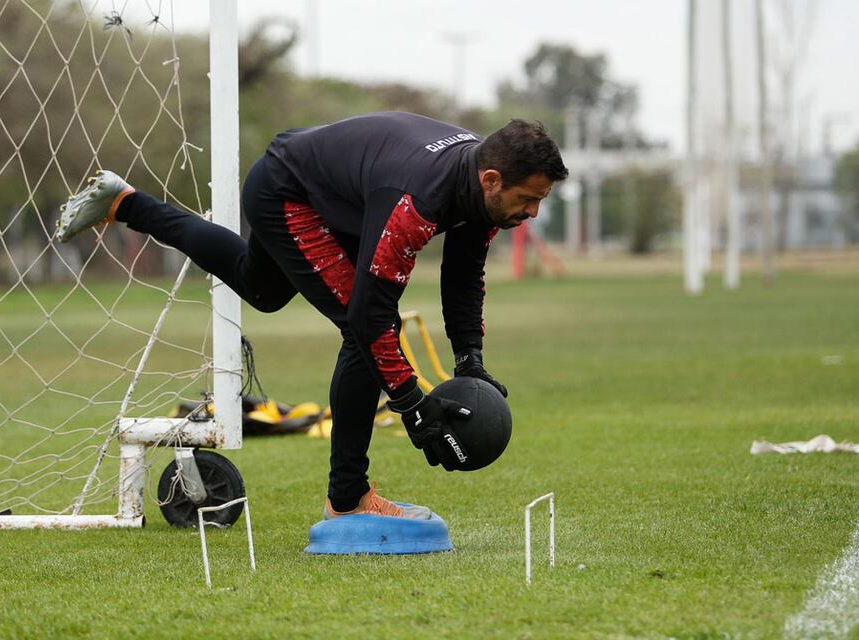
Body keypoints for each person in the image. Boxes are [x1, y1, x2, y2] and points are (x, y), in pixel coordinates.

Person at [56, 112, 568, 521]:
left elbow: (463, 274)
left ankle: (125, 202)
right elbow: (371, 318)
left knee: (261, 289)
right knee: (364, 330)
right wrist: (411, 402)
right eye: (528, 200)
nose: (532, 214)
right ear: (492, 179)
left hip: (335, 196)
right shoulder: (419, 199)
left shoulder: (479, 184)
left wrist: (470, 360)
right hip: (289, 191)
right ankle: (347, 499)